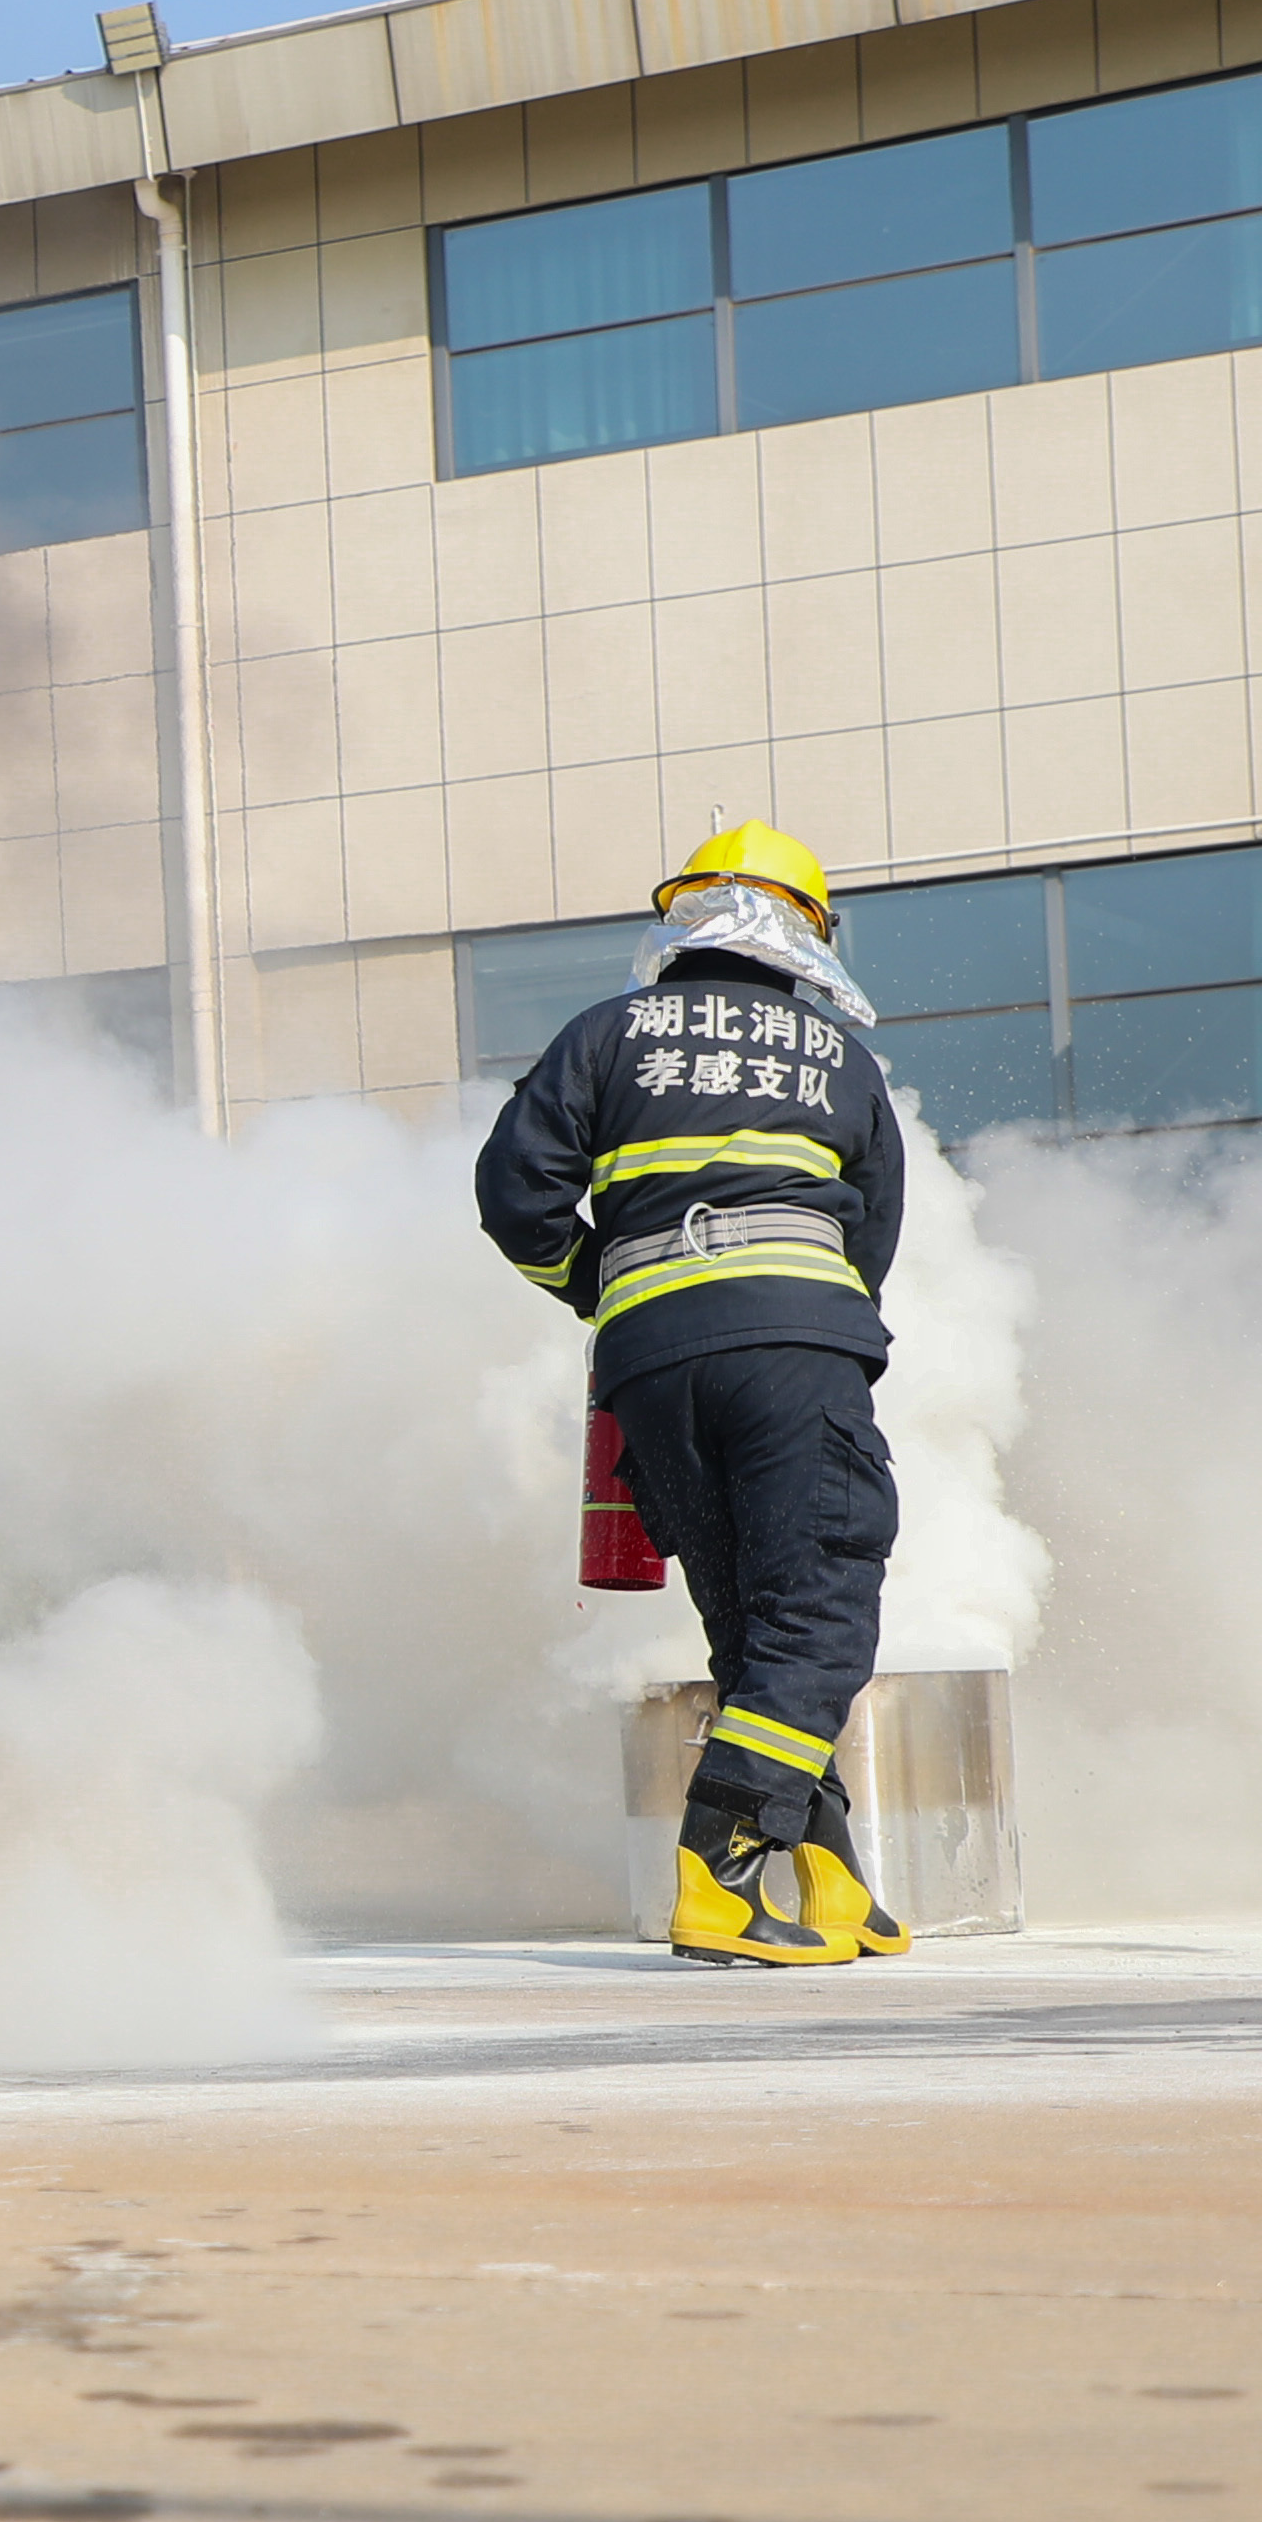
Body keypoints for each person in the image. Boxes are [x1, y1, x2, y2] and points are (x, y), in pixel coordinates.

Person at [476, 821, 914, 1970]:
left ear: (684, 920)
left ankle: (828, 1874)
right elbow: (870, 1238)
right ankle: (720, 1874)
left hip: (649, 1367)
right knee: (816, 1609)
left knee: (750, 1623)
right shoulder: (840, 1061)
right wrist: (805, 1328)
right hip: (793, 1352)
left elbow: (515, 1194)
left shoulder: (605, 1034)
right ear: (806, 932)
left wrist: (609, 1290)